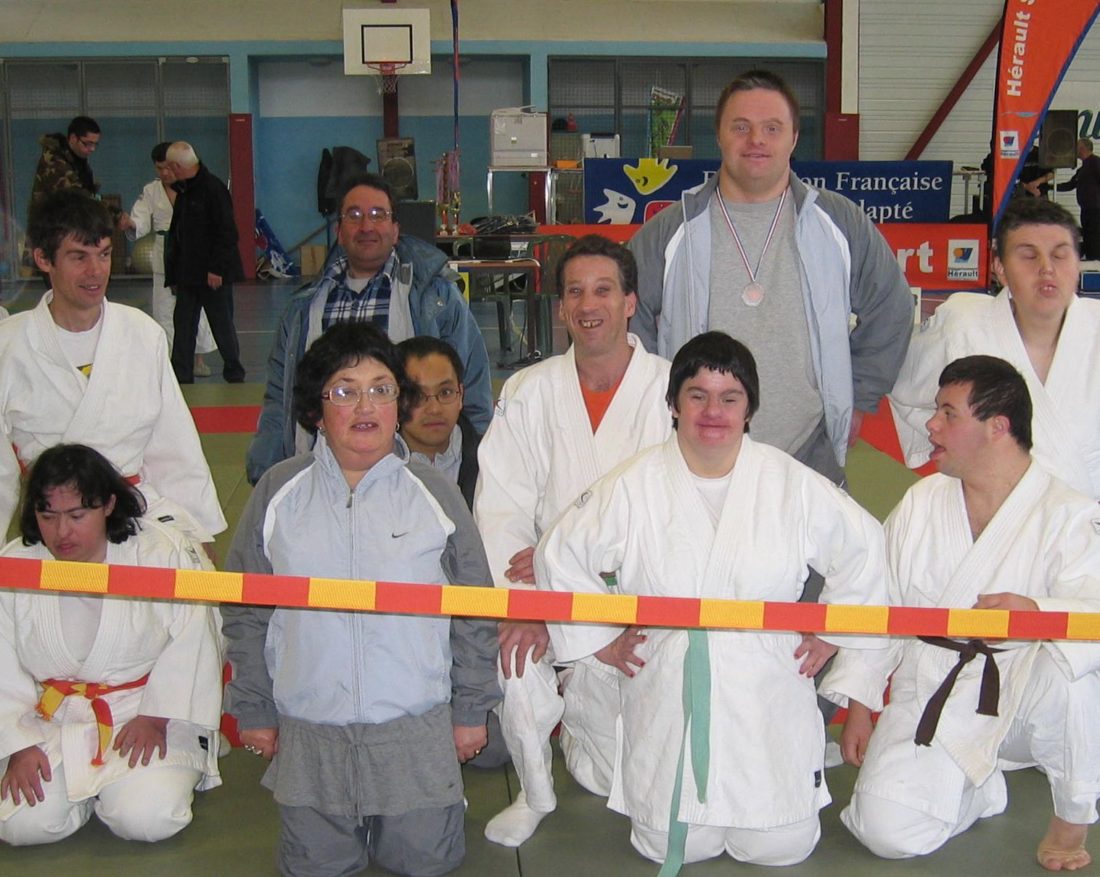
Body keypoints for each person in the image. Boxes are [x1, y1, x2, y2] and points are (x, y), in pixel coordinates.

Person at [536, 332, 888, 874]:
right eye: (697, 395)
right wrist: (600, 641)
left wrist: (832, 633)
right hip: (670, 681)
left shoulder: (788, 481)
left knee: (780, 848)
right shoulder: (634, 484)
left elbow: (865, 549)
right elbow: (560, 554)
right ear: (673, 404)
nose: (713, 411)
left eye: (730, 398)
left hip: (765, 684)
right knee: (670, 844)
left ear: (750, 409)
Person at [223, 321, 500, 877]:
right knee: (316, 868)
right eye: (345, 390)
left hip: (414, 726)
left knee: (425, 864)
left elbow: (475, 611)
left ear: (400, 402)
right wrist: (253, 707)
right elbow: (245, 610)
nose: (365, 405)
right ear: (315, 407)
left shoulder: (435, 494)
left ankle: (430, 807)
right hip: (311, 724)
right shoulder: (279, 491)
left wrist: (470, 711)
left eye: (382, 388)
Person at [822, 356, 1100, 872]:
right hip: (933, 690)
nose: (931, 424)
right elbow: (884, 606)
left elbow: (1093, 613)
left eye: (948, 413)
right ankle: (978, 790)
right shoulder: (922, 502)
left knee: (1073, 673)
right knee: (884, 830)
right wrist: (860, 702)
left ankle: (1073, 815)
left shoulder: (1068, 513)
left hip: (1021, 692)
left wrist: (1037, 612)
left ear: (998, 427)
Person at [473, 234, 673, 847]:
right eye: (575, 292)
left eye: (604, 290)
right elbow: (501, 506)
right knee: (516, 659)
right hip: (547, 599)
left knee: (611, 776)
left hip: (643, 602)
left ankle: (592, 723)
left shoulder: (672, 389)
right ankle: (535, 790)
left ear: (631, 302)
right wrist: (530, 605)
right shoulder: (527, 390)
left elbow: (675, 514)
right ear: (560, 308)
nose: (590, 305)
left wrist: (567, 563)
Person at [628, 68, 912, 483]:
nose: (756, 140)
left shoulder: (838, 222)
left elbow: (892, 307)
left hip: (810, 449)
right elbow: (629, 318)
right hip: (699, 447)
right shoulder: (671, 230)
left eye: (772, 128)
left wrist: (860, 396)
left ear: (794, 138)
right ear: (720, 136)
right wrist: (661, 399)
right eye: (740, 127)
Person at [0, 444, 223, 846]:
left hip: (142, 708)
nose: (61, 532)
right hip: (53, 716)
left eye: (76, 515)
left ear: (107, 505)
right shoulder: (17, 563)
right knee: (21, 827)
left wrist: (158, 715)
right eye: (47, 516)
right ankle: (82, 788)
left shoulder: (160, 552)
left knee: (147, 820)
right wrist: (19, 744)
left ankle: (125, 784)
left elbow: (196, 636)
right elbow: (2, 663)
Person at [0, 190, 226, 547]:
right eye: (79, 257)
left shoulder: (141, 333)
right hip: (53, 531)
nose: (96, 271)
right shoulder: (8, 345)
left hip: (138, 524)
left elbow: (173, 443)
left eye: (104, 254)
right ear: (43, 258)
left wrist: (199, 530)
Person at [245, 172, 492, 485]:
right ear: (339, 230)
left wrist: (477, 469)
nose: (366, 226)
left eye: (378, 215)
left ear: (395, 228)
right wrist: (265, 468)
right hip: (321, 473)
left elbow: (472, 387)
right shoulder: (302, 309)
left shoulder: (437, 298)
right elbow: (281, 396)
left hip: (410, 475)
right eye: (354, 215)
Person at [890, 197, 1100, 499]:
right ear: (999, 267)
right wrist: (958, 445)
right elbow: (905, 386)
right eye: (1029, 256)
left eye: (1060, 255)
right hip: (988, 512)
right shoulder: (963, 325)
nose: (1047, 269)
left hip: (1086, 527)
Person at [119, 141, 216, 378]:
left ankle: (198, 359)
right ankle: (172, 359)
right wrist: (131, 224)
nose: (163, 173)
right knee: (164, 311)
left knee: (197, 309)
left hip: (193, 254)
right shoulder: (151, 191)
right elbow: (140, 218)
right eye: (158, 168)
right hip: (165, 253)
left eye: (167, 167)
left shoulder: (196, 188)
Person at [163, 141, 246, 384]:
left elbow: (227, 232)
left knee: (222, 325)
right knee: (184, 325)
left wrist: (217, 268)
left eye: (170, 167)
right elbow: (177, 235)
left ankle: (234, 371)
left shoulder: (213, 189)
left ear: (178, 166)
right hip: (188, 273)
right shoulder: (185, 191)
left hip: (212, 274)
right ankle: (181, 374)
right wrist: (174, 275)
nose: (168, 172)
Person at [397, 336, 481, 509]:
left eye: (446, 392)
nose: (434, 409)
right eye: (417, 396)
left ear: (460, 396)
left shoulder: (492, 460)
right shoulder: (373, 468)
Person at [1056, 137, 1100, 259]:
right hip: (1086, 209)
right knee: (1088, 237)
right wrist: (1049, 187)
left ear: (1082, 148)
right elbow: (1070, 185)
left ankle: (1095, 264)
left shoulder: (1096, 163)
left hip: (1096, 209)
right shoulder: (1082, 169)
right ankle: (1091, 260)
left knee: (1094, 239)